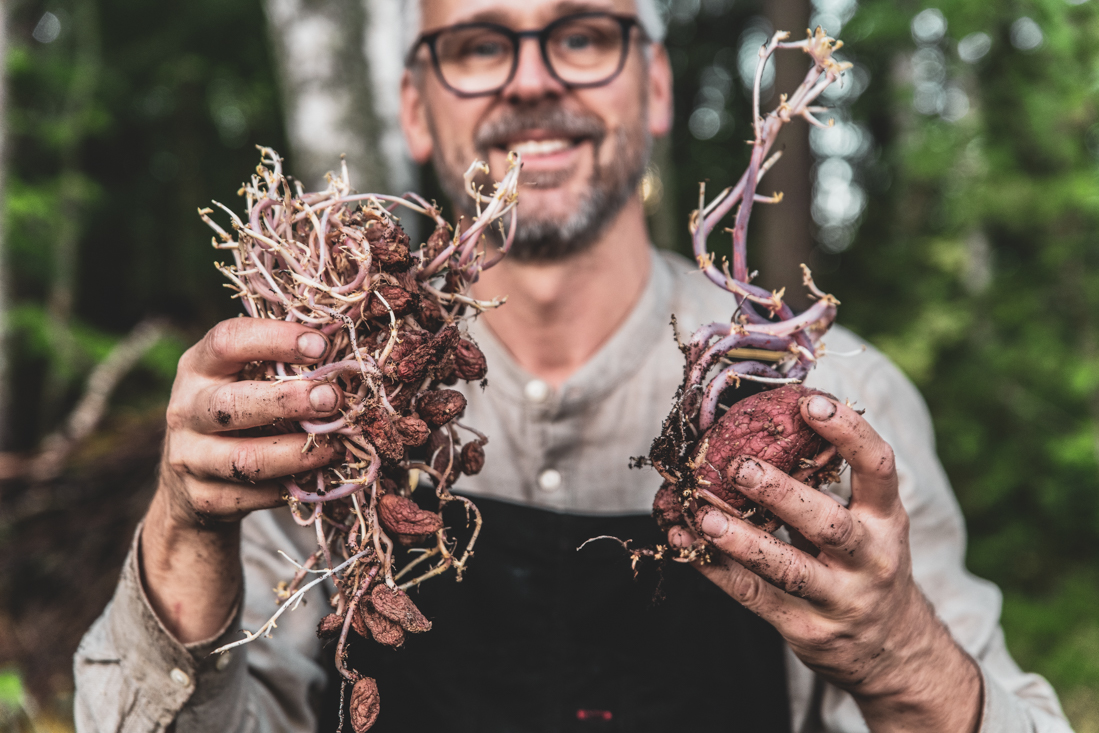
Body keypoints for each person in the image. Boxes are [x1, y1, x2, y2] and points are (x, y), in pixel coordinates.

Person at [74, 0, 1073, 731]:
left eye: (583, 35)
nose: (531, 80)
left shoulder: (827, 401)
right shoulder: (331, 403)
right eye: (478, 45)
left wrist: (902, 658)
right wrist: (185, 533)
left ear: (656, 87)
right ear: (415, 109)